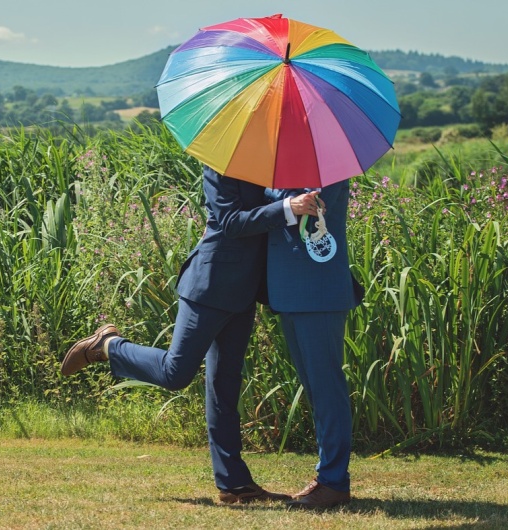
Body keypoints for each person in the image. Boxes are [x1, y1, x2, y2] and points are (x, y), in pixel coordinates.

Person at [61, 165, 321, 504]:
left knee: (223, 389)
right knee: (175, 373)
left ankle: (234, 485)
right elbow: (230, 222)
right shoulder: (221, 163)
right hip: (210, 286)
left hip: (243, 292)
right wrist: (289, 208)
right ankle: (108, 346)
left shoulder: (267, 164)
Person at [263, 180, 363, 510]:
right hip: (291, 292)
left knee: (326, 388)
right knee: (315, 388)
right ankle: (328, 476)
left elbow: (310, 205)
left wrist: (267, 193)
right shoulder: (284, 164)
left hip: (318, 291)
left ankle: (334, 482)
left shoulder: (327, 162)